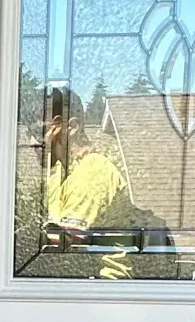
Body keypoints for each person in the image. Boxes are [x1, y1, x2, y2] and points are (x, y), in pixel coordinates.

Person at [36, 84, 158, 280]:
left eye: (41, 130)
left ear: (71, 128)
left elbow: (63, 246)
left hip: (104, 289)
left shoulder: (93, 170)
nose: (34, 141)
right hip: (74, 286)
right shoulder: (58, 174)